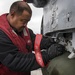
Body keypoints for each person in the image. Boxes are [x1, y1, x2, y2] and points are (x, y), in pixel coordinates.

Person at [0, 1, 65, 75]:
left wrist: (49, 41)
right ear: (12, 14)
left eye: (27, 21)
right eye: (23, 20)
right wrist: (47, 55)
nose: (25, 25)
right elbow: (15, 60)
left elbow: (34, 40)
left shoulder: (23, 29)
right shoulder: (1, 33)